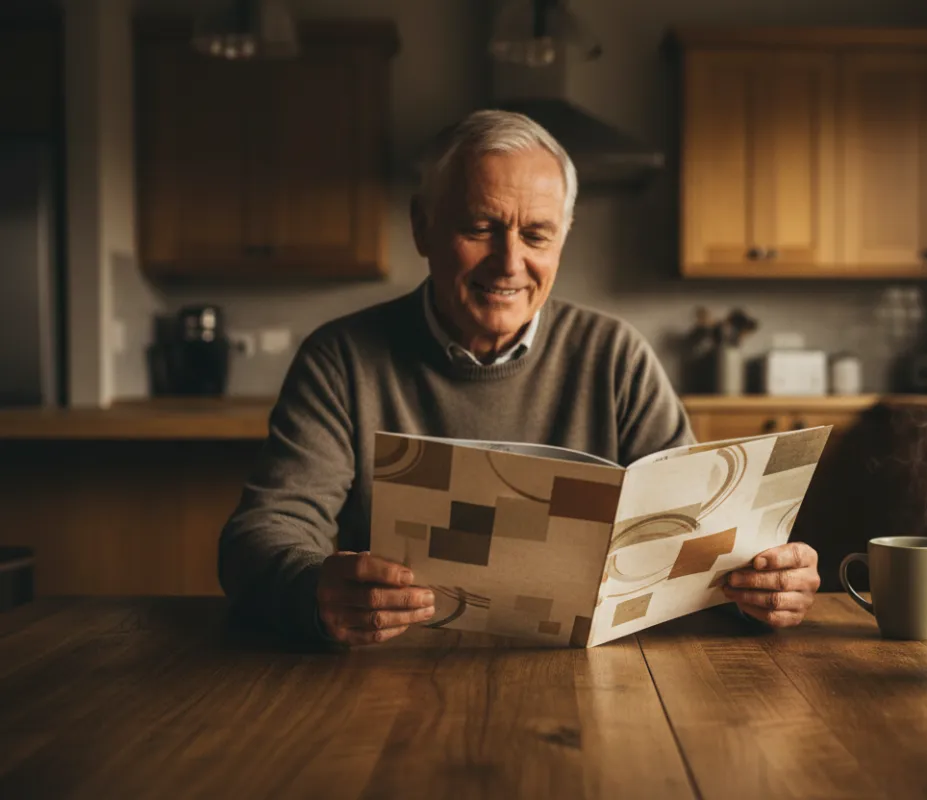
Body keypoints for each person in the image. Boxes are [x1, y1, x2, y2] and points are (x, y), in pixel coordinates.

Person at [218, 110, 820, 646]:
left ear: (561, 242)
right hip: (389, 666)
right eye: (480, 228)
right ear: (422, 227)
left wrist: (762, 586)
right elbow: (263, 533)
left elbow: (697, 537)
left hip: (591, 675)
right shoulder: (341, 358)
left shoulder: (615, 355)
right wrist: (312, 592)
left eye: (536, 235)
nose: (510, 263)